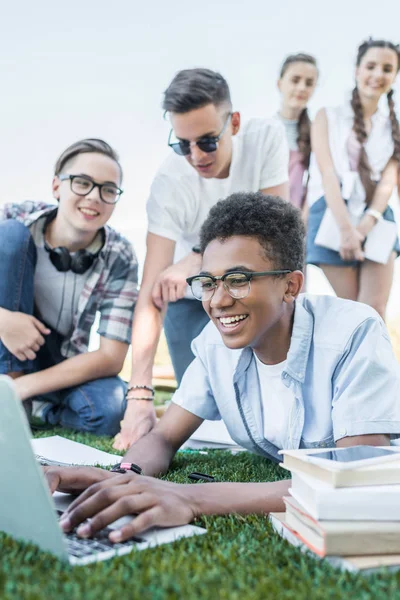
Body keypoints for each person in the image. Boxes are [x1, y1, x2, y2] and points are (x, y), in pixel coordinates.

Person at [44, 192, 400, 542]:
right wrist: (122, 476)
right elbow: (164, 437)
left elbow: (356, 476)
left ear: (290, 285)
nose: (218, 301)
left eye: (238, 280)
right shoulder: (216, 345)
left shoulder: (352, 331)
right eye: (209, 282)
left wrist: (190, 497)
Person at [114, 68, 290, 450]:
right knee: (209, 410)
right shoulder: (169, 184)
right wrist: (140, 395)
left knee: (268, 412)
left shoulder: (266, 138)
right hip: (189, 299)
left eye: (208, 141)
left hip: (251, 287)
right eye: (183, 144)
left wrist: (196, 260)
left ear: (235, 123)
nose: (196, 156)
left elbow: (275, 232)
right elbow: (151, 290)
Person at [0, 139, 138, 435]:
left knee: (109, 409)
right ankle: (8, 401)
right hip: (5, 346)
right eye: (82, 182)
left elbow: (111, 357)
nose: (94, 197)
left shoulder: (120, 254)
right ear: (56, 186)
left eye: (108, 189)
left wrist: (21, 387)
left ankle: (34, 404)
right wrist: (3, 320)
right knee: (9, 237)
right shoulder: (13, 217)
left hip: (60, 361)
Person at [306, 38, 400, 319]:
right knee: (353, 312)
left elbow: (386, 184)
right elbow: (327, 174)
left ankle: (380, 365)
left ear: (394, 76)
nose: (377, 74)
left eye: (387, 68)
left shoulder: (393, 128)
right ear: (357, 70)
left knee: (374, 310)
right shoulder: (328, 116)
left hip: (376, 215)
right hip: (333, 213)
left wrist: (364, 227)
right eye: (371, 66)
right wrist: (347, 231)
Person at [276, 53, 318, 210]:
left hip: (298, 223)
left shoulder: (317, 134)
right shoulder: (263, 130)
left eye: (309, 83)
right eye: (295, 80)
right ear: (280, 84)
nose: (301, 88)